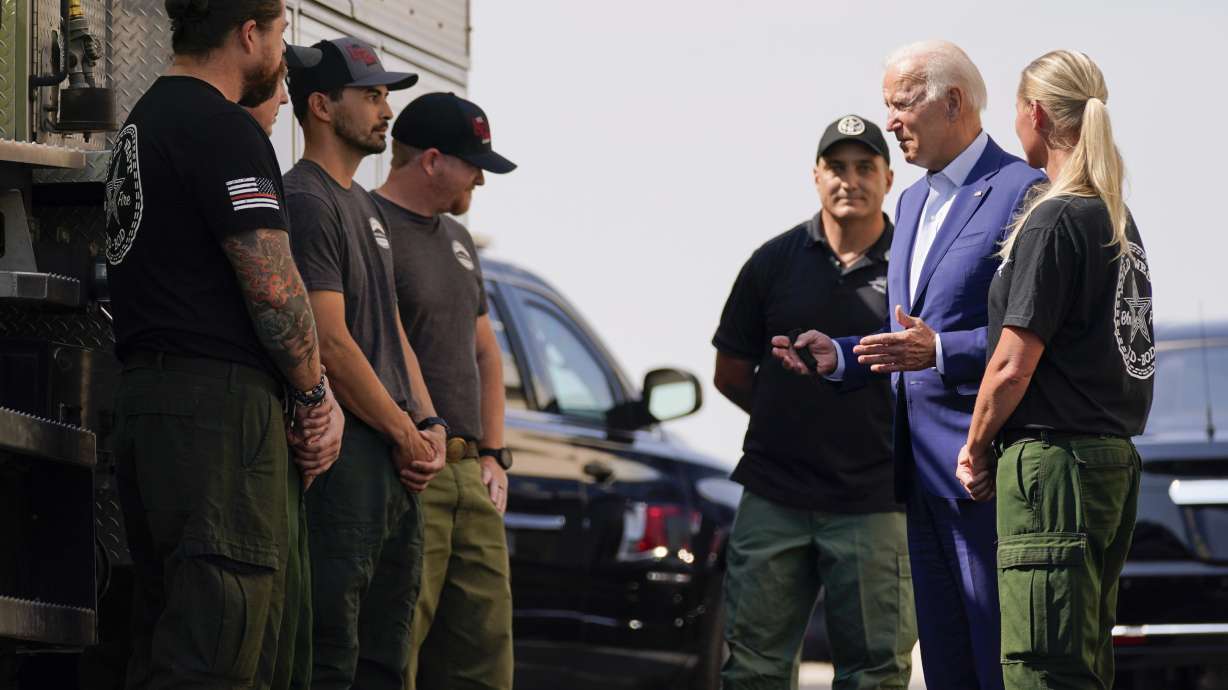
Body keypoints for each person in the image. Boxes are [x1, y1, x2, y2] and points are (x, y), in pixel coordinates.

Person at [772, 40, 1046, 690]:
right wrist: (839, 356)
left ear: (952, 102)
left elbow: (1039, 339)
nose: (890, 123)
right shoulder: (915, 203)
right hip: (917, 480)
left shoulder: (1021, 193)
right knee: (946, 667)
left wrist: (944, 351)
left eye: (900, 107)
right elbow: (906, 336)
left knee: (996, 663)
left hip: (982, 477)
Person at [105, 2, 341, 688]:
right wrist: (312, 391)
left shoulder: (143, 122)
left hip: (150, 405)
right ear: (248, 35)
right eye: (278, 33)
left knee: (167, 643)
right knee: (221, 647)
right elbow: (271, 282)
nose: (279, 49)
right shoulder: (221, 127)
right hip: (217, 417)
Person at [957, 50, 1153, 690]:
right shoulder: (1115, 217)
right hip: (1109, 463)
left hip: (1053, 468)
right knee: (1085, 662)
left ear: (1035, 114)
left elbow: (1012, 364)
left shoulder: (1055, 218)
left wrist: (977, 444)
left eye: (1017, 111)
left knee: (1042, 666)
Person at [713, 114, 915, 689]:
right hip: (775, 495)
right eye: (836, 167)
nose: (849, 180)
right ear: (815, 175)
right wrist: (788, 413)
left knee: (875, 672)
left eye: (864, 167)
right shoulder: (773, 262)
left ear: (888, 177)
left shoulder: (914, 266)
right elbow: (729, 372)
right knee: (752, 667)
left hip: (875, 500)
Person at [285, 37, 446, 690]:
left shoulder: (363, 206)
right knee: (333, 651)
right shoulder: (308, 199)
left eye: (386, 95)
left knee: (386, 654)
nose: (386, 111)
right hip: (350, 465)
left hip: (394, 463)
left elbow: (392, 333)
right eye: (372, 95)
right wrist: (403, 432)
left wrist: (430, 422)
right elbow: (330, 341)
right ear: (321, 105)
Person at [372, 91, 518, 690]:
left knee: (485, 655)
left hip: (469, 474)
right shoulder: (368, 223)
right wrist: (413, 436)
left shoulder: (458, 239)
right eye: (471, 162)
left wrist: (493, 453)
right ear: (431, 160)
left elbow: (485, 350)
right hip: (407, 468)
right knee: (396, 647)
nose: (481, 178)